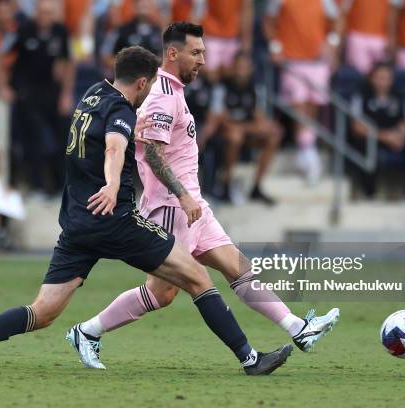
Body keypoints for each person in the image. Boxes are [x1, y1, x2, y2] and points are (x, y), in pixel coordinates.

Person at [0, 46, 292, 376]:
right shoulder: (120, 111)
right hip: (113, 219)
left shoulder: (93, 94)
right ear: (143, 82)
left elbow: (109, 137)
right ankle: (250, 359)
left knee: (44, 311)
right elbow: (115, 148)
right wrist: (114, 185)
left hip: (76, 224)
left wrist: (134, 130)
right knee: (197, 278)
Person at [74, 23, 339, 370]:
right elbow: (152, 151)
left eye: (203, 52)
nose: (203, 60)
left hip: (193, 205)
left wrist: (191, 198)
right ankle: (88, 331)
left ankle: (298, 328)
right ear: (173, 53)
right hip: (170, 206)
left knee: (240, 269)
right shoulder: (163, 96)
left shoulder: (174, 90)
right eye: (196, 52)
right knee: (162, 292)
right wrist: (182, 196)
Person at [264, 0, 345, 185]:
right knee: (299, 105)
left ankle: (307, 148)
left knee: (313, 104)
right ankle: (307, 150)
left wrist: (332, 43)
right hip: (292, 60)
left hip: (317, 60)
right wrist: (275, 47)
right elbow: (268, 20)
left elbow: (339, 19)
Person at [0, 0, 74, 198]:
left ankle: (61, 187)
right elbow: (2, 55)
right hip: (27, 92)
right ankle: (37, 186)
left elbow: (68, 63)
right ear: (36, 13)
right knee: (34, 139)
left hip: (52, 91)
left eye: (49, 13)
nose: (45, 17)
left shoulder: (61, 31)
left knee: (63, 139)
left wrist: (66, 95)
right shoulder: (23, 30)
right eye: (42, 12)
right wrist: (4, 86)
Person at [210, 51, 282, 204]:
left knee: (274, 134)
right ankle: (227, 185)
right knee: (235, 136)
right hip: (225, 133)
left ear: (251, 68)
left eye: (245, 67)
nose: (241, 70)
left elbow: (260, 119)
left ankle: (256, 186)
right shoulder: (223, 86)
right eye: (238, 66)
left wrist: (246, 128)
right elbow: (220, 119)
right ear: (233, 67)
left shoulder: (256, 88)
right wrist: (244, 128)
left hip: (246, 131)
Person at [351, 62, 405, 197]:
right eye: (379, 77)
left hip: (394, 138)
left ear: (392, 80)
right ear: (372, 78)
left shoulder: (399, 96)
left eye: (386, 78)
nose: (382, 82)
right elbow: (357, 127)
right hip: (373, 137)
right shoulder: (362, 96)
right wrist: (385, 137)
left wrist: (401, 137)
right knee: (367, 147)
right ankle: (370, 193)